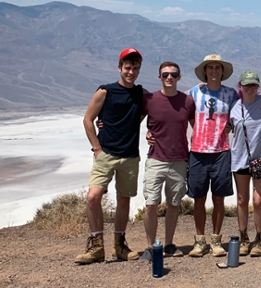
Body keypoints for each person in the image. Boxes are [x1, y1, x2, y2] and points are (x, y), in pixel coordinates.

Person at [76, 48, 146, 264]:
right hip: (105, 153)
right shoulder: (105, 91)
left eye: (135, 68)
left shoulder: (141, 94)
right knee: (93, 197)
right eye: (127, 67)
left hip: (130, 155)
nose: (131, 72)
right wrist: (97, 148)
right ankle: (97, 245)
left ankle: (119, 246)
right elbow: (88, 119)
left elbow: (144, 113)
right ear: (119, 68)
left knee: (123, 200)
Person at [128, 62, 195, 260]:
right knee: (151, 203)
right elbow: (132, 122)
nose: (169, 77)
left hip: (179, 159)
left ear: (179, 77)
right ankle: (150, 246)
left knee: (174, 204)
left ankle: (169, 244)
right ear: (159, 77)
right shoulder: (149, 100)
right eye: (165, 74)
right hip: (156, 158)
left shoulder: (187, 101)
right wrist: (103, 123)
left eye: (173, 74)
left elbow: (197, 127)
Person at [186, 54, 238, 258]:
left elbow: (243, 111)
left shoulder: (231, 94)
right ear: (205, 71)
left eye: (218, 67)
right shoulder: (193, 92)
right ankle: (200, 241)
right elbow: (179, 109)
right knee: (198, 198)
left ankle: (216, 240)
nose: (214, 70)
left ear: (222, 71)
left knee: (218, 197)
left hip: (221, 151)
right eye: (210, 67)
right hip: (198, 152)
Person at [230, 70, 261, 257]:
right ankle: (243, 237)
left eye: (253, 85)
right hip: (240, 157)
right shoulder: (234, 107)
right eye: (246, 85)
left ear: (258, 86)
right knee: (242, 200)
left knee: (258, 201)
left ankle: (259, 238)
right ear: (240, 86)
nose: (250, 88)